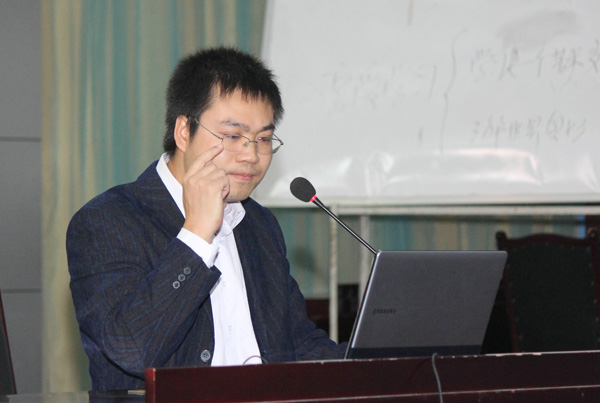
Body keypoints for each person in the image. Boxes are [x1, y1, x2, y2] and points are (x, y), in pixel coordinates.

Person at [66, 47, 345, 392]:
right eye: (233, 136)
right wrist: (196, 234)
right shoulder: (107, 221)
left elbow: (296, 342)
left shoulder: (259, 223)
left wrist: (379, 362)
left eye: (263, 139)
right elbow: (132, 349)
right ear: (184, 131)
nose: (252, 155)